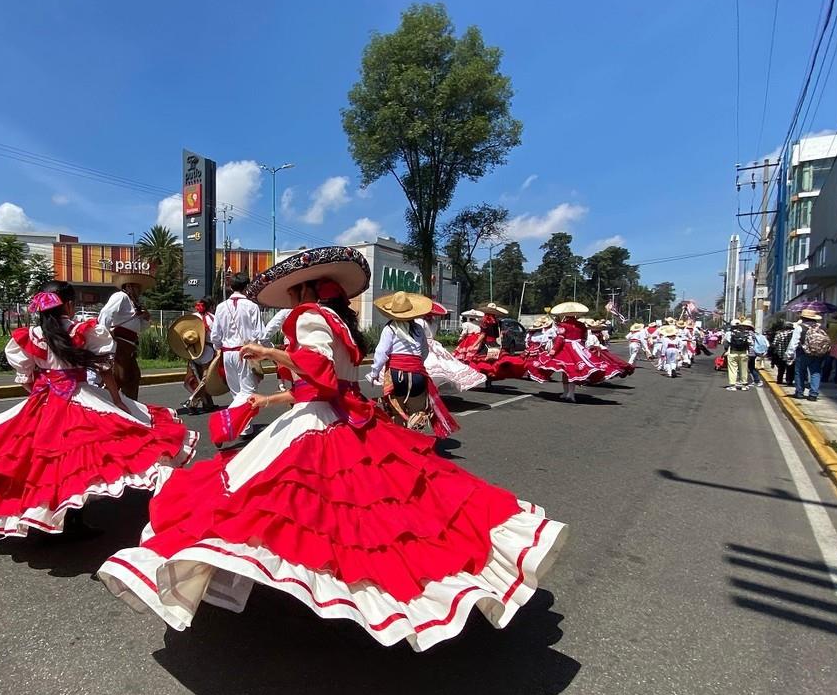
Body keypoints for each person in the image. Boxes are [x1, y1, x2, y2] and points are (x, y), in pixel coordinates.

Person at [97, 246, 566, 650]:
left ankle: (319, 591)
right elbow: (327, 385)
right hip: (341, 415)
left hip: (322, 424)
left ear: (303, 292)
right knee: (377, 508)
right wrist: (269, 397)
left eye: (294, 297)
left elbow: (316, 373)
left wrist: (270, 355)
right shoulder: (337, 324)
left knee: (277, 505)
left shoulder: (308, 319)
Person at [0, 281, 197, 537]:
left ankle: (44, 513)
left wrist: (39, 396)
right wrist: (117, 400)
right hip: (80, 396)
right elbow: (105, 370)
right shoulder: (83, 330)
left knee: (36, 461)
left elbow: (27, 377)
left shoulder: (31, 335)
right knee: (79, 460)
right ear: (69, 306)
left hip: (44, 397)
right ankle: (70, 518)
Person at [367, 291, 458, 437]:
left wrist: (374, 373)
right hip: (417, 375)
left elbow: (381, 353)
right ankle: (415, 440)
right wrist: (416, 364)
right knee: (417, 411)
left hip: (396, 375)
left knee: (397, 411)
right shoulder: (418, 329)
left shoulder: (389, 328)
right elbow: (424, 352)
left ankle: (401, 442)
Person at [211, 272, 264, 438]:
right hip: (246, 351)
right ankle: (225, 421)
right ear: (247, 287)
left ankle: (244, 427)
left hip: (227, 353)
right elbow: (259, 333)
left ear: (231, 286)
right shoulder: (252, 306)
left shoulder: (220, 307)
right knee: (247, 390)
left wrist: (219, 348)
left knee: (236, 391)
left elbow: (215, 335)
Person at [98, 275, 152, 401]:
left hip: (130, 348)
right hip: (120, 346)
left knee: (133, 378)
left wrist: (146, 318)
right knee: (121, 379)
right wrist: (104, 337)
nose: (140, 291)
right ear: (129, 286)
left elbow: (140, 328)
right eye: (137, 288)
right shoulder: (120, 296)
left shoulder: (133, 303)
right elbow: (106, 314)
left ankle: (131, 410)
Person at [417, 301, 486, 393]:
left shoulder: (421, 322)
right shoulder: (434, 323)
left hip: (425, 343)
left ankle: (425, 389)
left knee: (428, 365)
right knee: (442, 365)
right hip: (434, 344)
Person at [793, 309, 830, 401]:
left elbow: (794, 341)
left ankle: (800, 392)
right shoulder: (821, 327)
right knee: (816, 372)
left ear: (802, 318)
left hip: (803, 352)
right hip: (818, 353)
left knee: (800, 372)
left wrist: (789, 354)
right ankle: (813, 394)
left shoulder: (800, 327)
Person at [723, 318, 753, 390]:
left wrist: (726, 350)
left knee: (732, 369)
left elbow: (726, 343)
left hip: (733, 352)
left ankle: (733, 386)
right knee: (744, 369)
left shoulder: (730, 333)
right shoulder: (748, 333)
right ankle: (744, 385)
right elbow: (751, 343)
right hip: (744, 353)